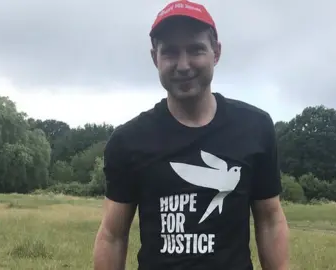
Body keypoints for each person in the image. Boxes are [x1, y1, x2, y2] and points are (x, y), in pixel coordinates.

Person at [93, 1, 290, 269]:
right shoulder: (128, 141)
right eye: (170, 52)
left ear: (216, 52)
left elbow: (270, 220)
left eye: (195, 49)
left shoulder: (255, 127)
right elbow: (113, 236)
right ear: (155, 58)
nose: (183, 65)